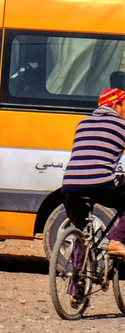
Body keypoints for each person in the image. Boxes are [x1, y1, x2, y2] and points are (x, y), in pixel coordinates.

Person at [59, 86, 125, 259]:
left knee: (82, 234)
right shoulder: (121, 125)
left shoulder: (83, 122)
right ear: (116, 105)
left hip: (69, 187)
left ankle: (76, 284)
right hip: (100, 183)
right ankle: (116, 240)